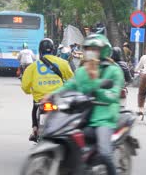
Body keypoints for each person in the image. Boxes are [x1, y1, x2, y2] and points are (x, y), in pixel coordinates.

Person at [48, 34, 123, 175]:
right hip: (81, 114)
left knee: (105, 153)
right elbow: (70, 85)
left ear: (104, 51)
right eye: (89, 48)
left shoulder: (114, 70)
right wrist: (52, 95)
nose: (91, 52)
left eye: (95, 49)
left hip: (104, 117)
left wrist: (96, 87)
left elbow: (114, 95)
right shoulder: (82, 71)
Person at [21, 38, 74, 142]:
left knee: (35, 106)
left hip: (41, 99)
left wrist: (29, 91)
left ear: (40, 50)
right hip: (58, 98)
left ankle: (35, 129)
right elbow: (72, 80)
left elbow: (25, 86)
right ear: (53, 50)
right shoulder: (63, 63)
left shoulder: (32, 67)